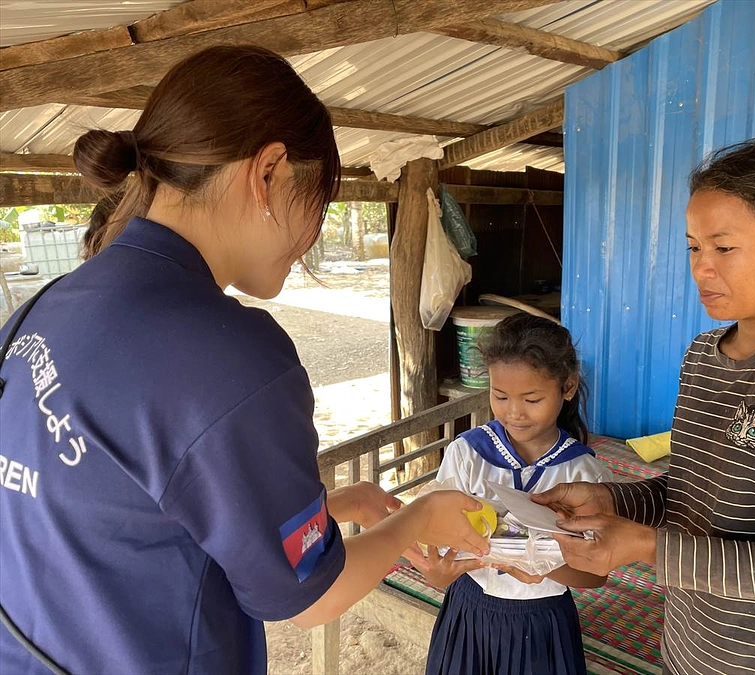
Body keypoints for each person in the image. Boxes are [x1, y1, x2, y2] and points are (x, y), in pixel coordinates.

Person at [0, 45, 488, 675]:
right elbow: (310, 599)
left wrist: (333, 504)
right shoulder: (228, 353)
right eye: (320, 201)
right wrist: (416, 517)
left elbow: (135, 509)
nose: (312, 235)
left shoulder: (43, 310)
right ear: (269, 171)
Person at [534, 137, 755, 675]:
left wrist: (646, 546)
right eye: (692, 247)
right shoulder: (704, 356)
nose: (702, 268)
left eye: (724, 248)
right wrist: (608, 500)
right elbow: (694, 498)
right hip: (693, 647)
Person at [422, 313, 612, 675]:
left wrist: (546, 569)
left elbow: (596, 576)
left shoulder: (585, 474)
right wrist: (438, 574)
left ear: (567, 387)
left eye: (532, 399)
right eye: (500, 395)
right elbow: (438, 542)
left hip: (543, 623)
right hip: (469, 613)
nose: (514, 412)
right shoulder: (467, 453)